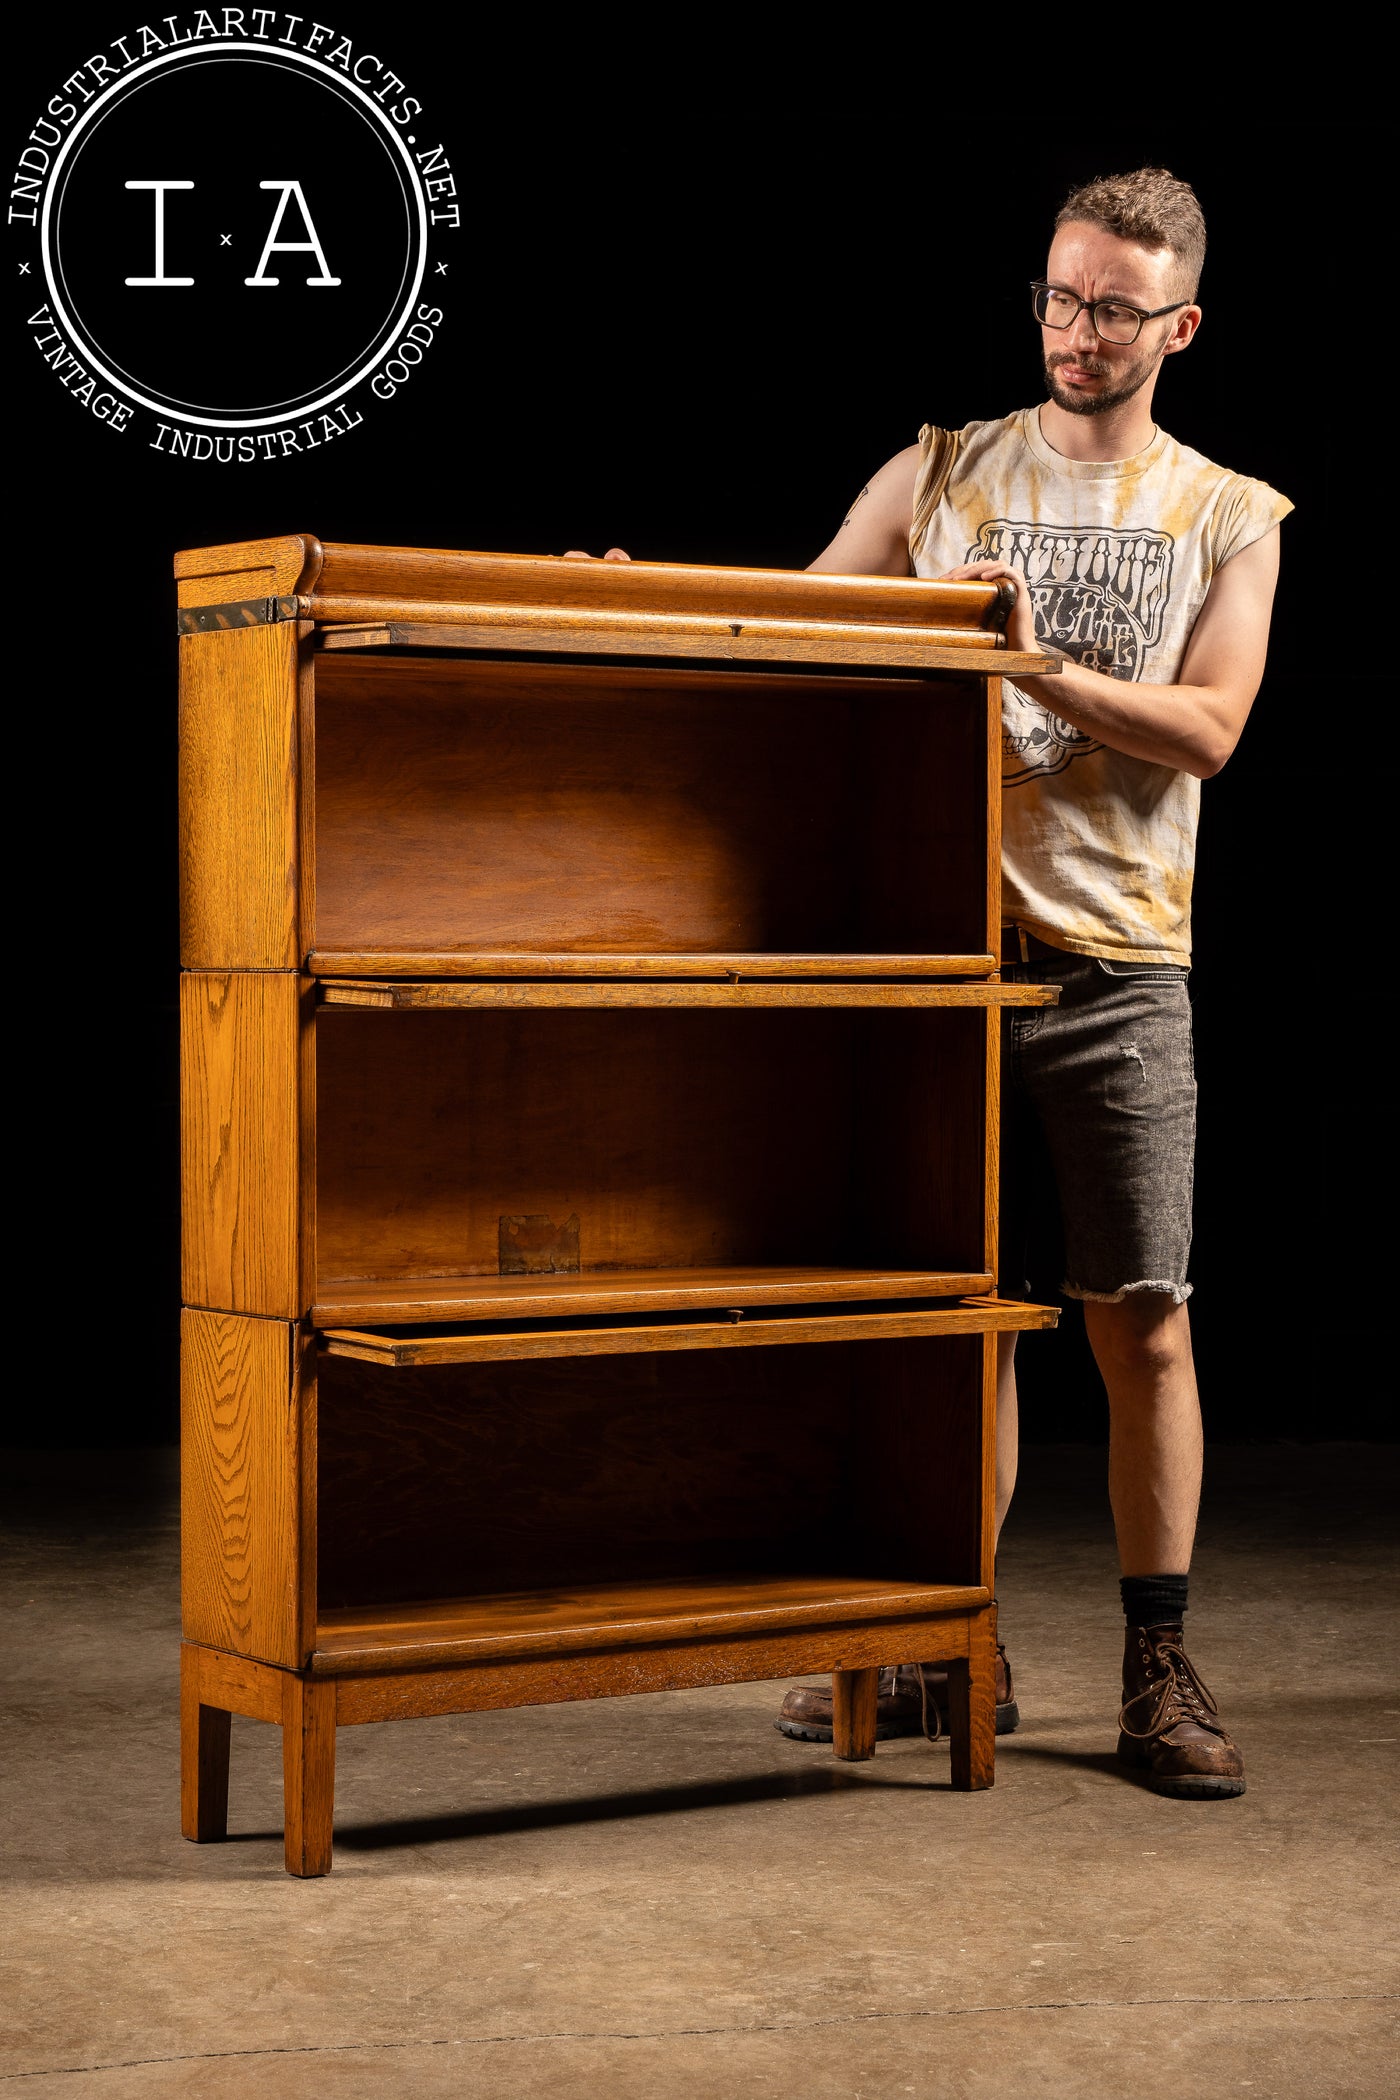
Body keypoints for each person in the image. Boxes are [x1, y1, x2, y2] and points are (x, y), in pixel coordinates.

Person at [568, 168, 1290, 1799]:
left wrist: (1030, 663)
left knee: (1146, 1328)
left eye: (1116, 307)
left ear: (1181, 323)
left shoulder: (1228, 511)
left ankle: (1157, 1668)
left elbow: (1212, 731)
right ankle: (942, 1650)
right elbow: (801, 615)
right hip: (938, 973)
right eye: (1059, 293)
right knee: (958, 1334)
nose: (1078, 330)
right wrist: (640, 597)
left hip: (1119, 970)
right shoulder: (944, 468)